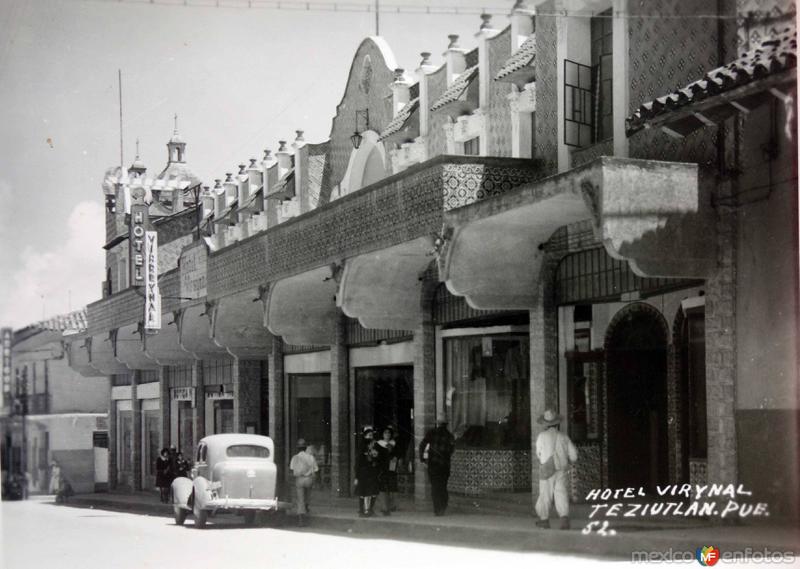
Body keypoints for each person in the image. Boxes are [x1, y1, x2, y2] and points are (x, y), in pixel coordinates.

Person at [534, 409, 578, 530]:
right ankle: (564, 520)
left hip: (546, 469)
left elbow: (538, 454)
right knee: (561, 493)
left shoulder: (541, 436)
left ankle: (544, 520)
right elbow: (574, 455)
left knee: (545, 494)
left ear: (545, 424)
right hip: (561, 470)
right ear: (557, 423)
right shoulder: (564, 436)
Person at [419, 415, 455, 516]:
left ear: (438, 423)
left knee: (435, 487)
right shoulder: (449, 435)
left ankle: (437, 509)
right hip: (444, 465)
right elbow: (451, 450)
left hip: (433, 464)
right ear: (446, 424)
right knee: (443, 486)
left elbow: (422, 445)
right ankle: (443, 506)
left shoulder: (432, 433)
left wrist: (422, 459)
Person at [289, 438, 319, 527]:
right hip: (309, 479)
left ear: (298, 448)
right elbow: (316, 469)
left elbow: (292, 469)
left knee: (300, 499)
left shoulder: (295, 457)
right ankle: (306, 507)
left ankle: (301, 520)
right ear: (305, 447)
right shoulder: (311, 457)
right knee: (308, 496)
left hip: (299, 479)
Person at [354, 426, 379, 517]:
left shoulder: (375, 446)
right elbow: (358, 462)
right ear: (364, 436)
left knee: (373, 492)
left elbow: (378, 458)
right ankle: (363, 510)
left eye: (371, 435)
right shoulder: (361, 447)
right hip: (363, 473)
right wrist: (357, 476)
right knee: (364, 492)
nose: (370, 437)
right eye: (368, 435)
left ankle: (370, 509)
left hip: (372, 472)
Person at [375, 426, 398, 515]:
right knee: (383, 487)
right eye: (385, 433)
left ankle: (392, 506)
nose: (387, 435)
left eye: (389, 433)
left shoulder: (393, 444)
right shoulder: (378, 444)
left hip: (392, 468)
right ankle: (384, 507)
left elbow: (397, 453)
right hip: (382, 468)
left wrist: (396, 457)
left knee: (392, 487)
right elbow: (377, 457)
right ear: (382, 435)